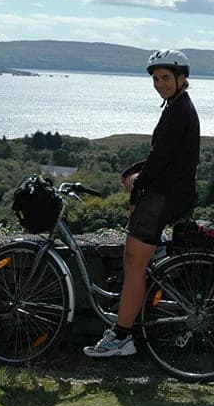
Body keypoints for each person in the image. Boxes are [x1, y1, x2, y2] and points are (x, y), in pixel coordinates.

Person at [83, 49, 199, 359]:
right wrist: (132, 172)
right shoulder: (177, 107)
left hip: (164, 196)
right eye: (156, 79)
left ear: (182, 78)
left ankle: (122, 336)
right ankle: (133, 322)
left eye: (166, 78)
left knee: (134, 266)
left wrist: (137, 186)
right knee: (140, 263)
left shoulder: (178, 111)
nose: (160, 84)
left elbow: (161, 161)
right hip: (172, 194)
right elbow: (161, 153)